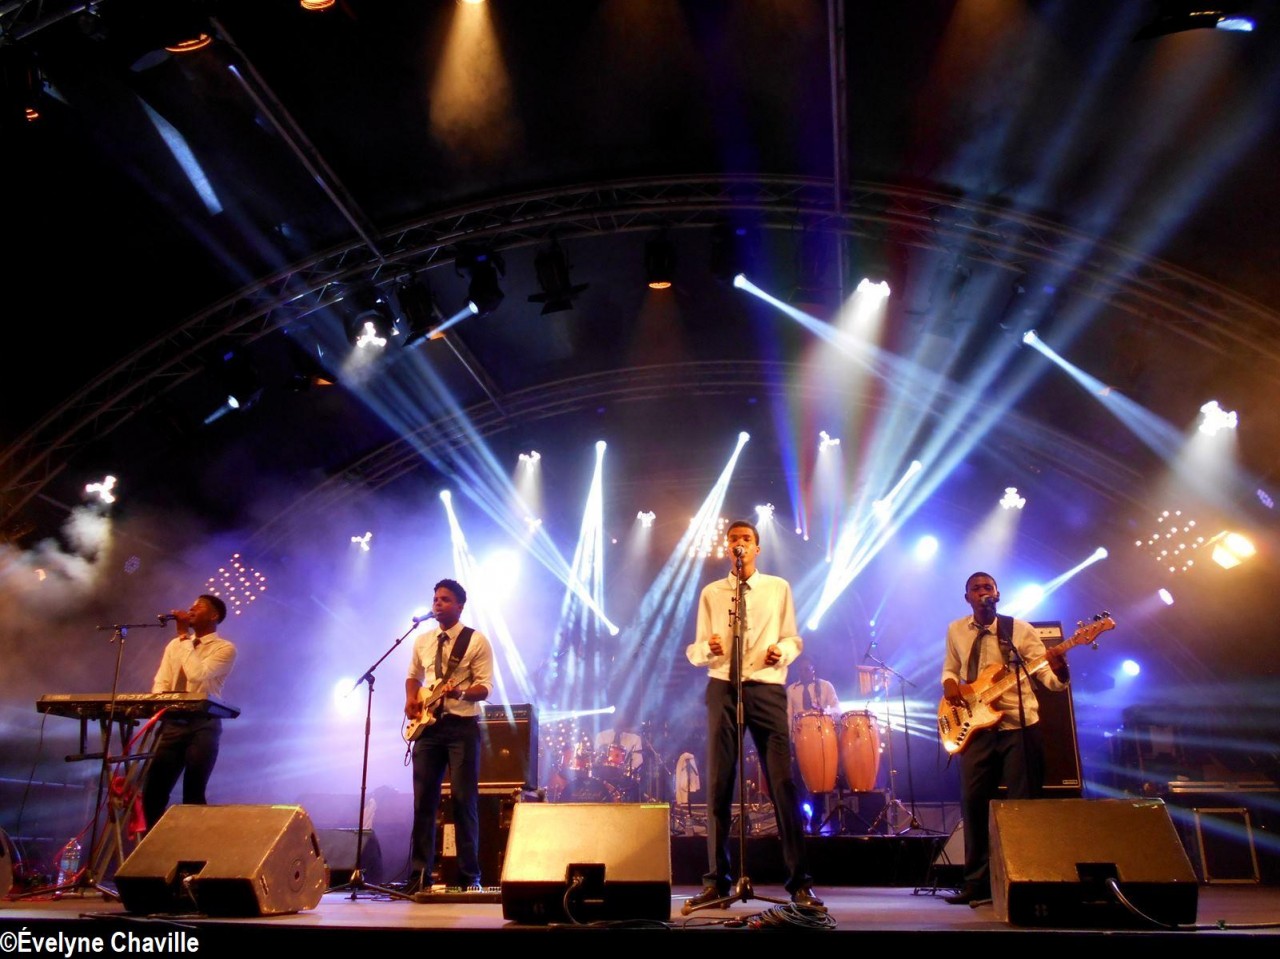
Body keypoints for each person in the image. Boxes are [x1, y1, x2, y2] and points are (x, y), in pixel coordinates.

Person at [684, 520, 823, 911]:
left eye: (746, 539)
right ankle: (717, 882)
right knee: (719, 784)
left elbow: (793, 637)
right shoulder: (712, 593)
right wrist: (709, 648)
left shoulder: (777, 588)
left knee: (782, 783)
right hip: (723, 686)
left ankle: (799, 884)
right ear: (727, 548)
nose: (739, 544)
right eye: (733, 539)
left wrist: (783, 651)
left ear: (757, 548)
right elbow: (695, 649)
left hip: (766, 687)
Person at [940, 571, 1069, 904]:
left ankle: (1024, 880)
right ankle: (976, 882)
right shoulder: (956, 630)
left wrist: (1059, 670)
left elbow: (1045, 676)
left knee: (1022, 806)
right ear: (967, 597)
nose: (982, 591)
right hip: (975, 727)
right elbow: (951, 667)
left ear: (998, 594)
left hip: (1017, 725)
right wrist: (950, 684)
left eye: (988, 587)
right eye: (976, 588)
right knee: (973, 804)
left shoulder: (1019, 630)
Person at [404, 579, 492, 893]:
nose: (437, 604)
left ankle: (470, 878)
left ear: (459, 606)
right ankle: (420, 876)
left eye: (445, 599)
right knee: (423, 801)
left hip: (461, 727)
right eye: (435, 599)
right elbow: (413, 676)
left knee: (463, 800)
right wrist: (411, 699)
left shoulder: (475, 640)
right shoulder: (423, 640)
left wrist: (461, 693)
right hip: (428, 728)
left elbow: (485, 687)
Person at [142, 594, 237, 829]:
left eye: (199, 606)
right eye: (191, 606)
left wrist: (184, 636)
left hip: (203, 724)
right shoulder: (175, 645)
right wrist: (160, 704)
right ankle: (154, 847)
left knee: (193, 793)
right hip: (172, 722)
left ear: (214, 615)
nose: (191, 609)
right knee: (153, 793)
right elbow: (162, 680)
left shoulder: (224, 648)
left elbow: (197, 675)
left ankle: (190, 849)